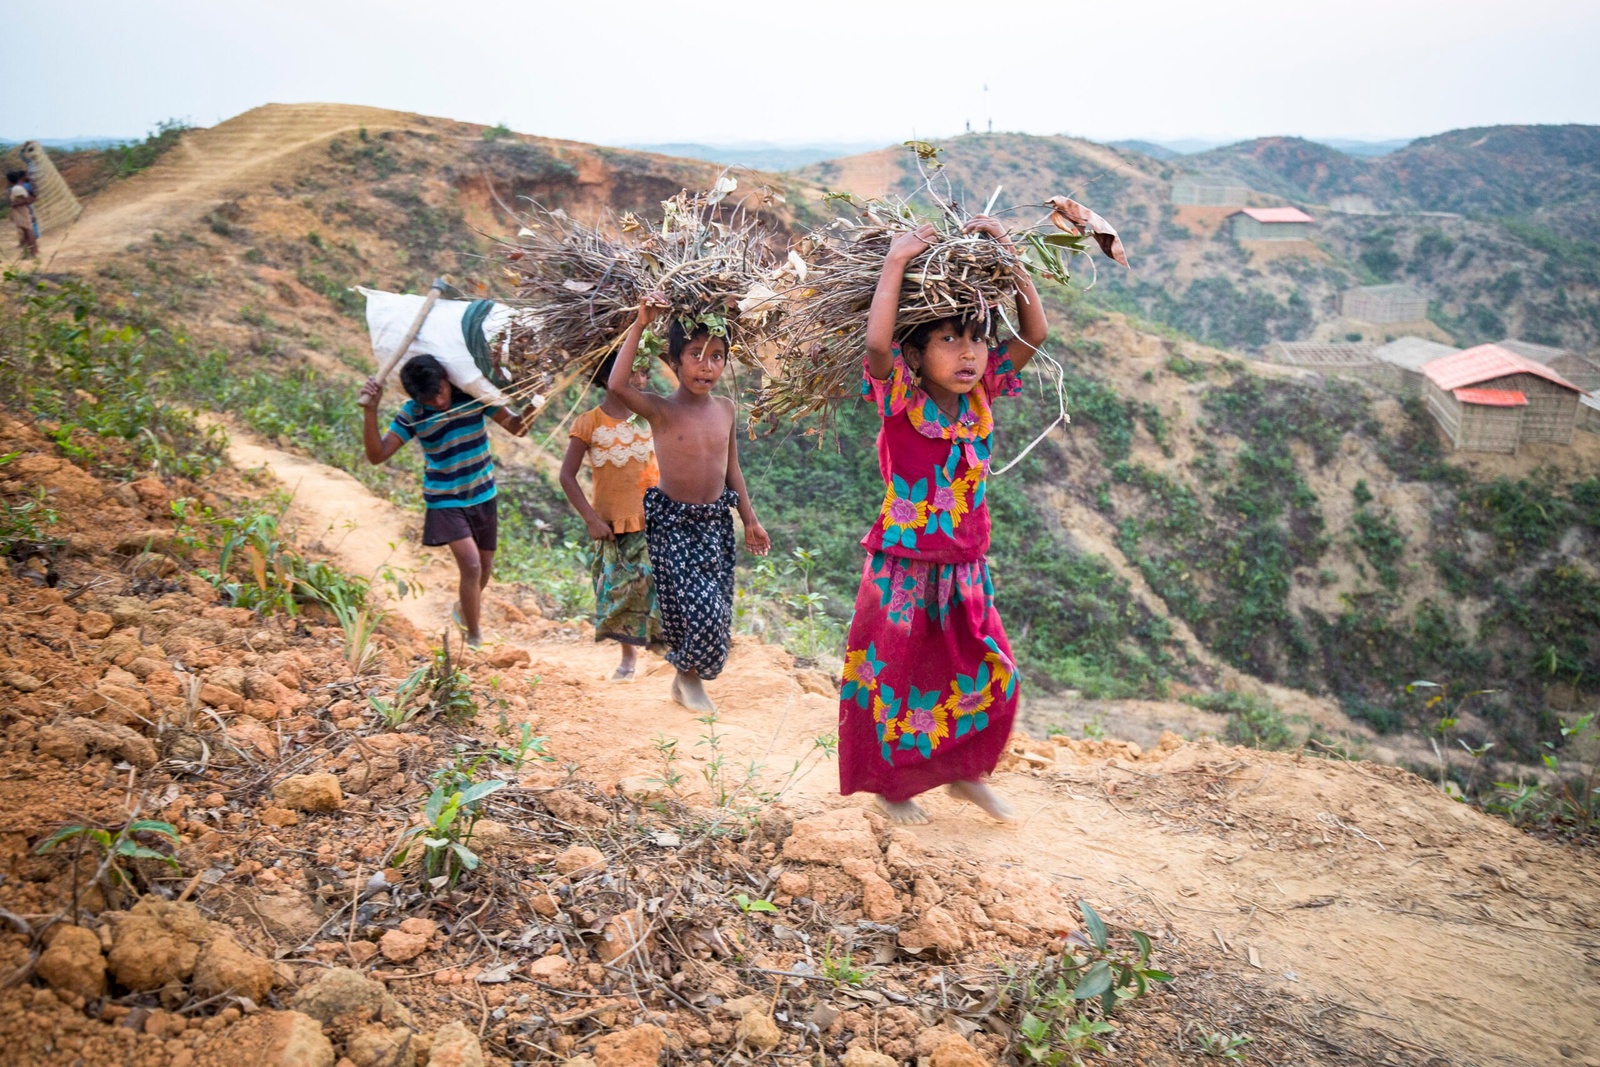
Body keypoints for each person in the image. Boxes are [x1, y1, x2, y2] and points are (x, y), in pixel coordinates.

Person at [838, 216, 1048, 825]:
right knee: (894, 676)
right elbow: (876, 348)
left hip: (964, 562)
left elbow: (1037, 331)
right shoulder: (900, 398)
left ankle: (965, 771)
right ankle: (891, 785)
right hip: (902, 565)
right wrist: (896, 262)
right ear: (918, 353)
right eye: (950, 342)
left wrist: (1009, 256)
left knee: (989, 668)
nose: (969, 354)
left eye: (976, 341)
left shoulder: (986, 393)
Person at [607, 295, 770, 712]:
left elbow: (732, 468)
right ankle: (689, 679)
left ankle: (685, 679)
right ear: (674, 362)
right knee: (698, 608)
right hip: (671, 523)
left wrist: (748, 520)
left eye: (716, 356)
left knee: (717, 605)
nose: (707, 365)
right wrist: (641, 323)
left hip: (715, 523)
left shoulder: (727, 410)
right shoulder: (661, 411)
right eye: (695, 355)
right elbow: (617, 385)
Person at [358, 354, 532, 648]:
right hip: (444, 498)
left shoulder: (473, 395)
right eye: (429, 398)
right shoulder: (413, 413)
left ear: (447, 380)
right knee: (472, 565)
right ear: (416, 398)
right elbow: (377, 455)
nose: (438, 402)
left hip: (483, 493)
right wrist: (370, 411)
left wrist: (535, 402)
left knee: (485, 569)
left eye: (440, 391)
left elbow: (518, 427)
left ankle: (464, 611)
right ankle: (473, 636)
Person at [560, 352, 664, 679]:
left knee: (651, 581)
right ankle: (628, 656)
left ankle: (663, 651)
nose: (641, 380)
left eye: (645, 373)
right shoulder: (589, 423)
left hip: (652, 519)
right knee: (616, 589)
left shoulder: (652, 417)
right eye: (634, 372)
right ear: (610, 378)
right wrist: (591, 519)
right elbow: (567, 476)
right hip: (611, 527)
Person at [7, 170, 38, 259]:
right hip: (21, 212)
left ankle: (32, 252)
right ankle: (29, 253)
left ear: (9, 180)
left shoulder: (16, 189)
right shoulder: (18, 188)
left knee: (28, 231)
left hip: (21, 212)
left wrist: (15, 204)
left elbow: (26, 200)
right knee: (26, 231)